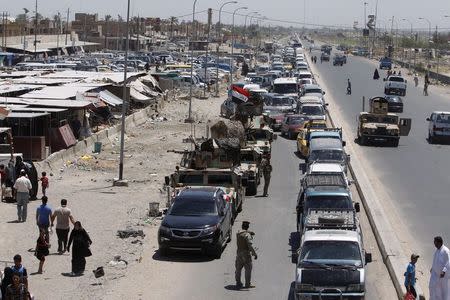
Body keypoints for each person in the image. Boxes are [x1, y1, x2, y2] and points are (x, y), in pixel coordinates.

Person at [235, 221, 257, 289]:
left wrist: (249, 232)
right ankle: (247, 284)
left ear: (242, 226)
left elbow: (243, 232)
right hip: (246, 254)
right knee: (248, 269)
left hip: (239, 253)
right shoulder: (247, 235)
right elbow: (250, 246)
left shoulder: (238, 233)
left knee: (238, 269)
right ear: (247, 227)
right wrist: (254, 254)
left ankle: (238, 282)